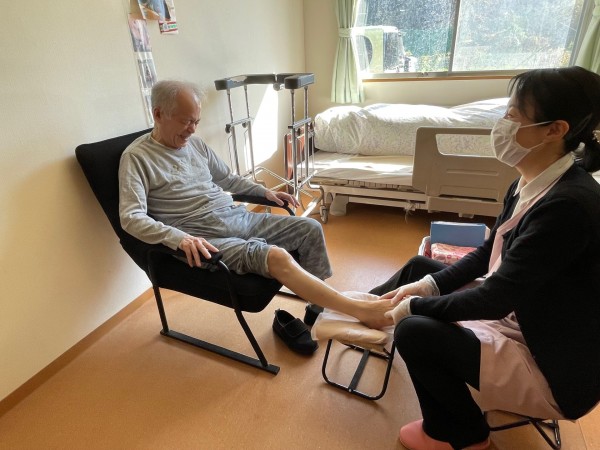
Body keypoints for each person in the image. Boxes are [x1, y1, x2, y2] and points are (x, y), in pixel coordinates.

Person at [369, 66, 600, 450]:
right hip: (522, 317)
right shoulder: (529, 183)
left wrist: (413, 307)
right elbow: (486, 253)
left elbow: (494, 299)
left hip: (550, 364)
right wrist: (427, 287)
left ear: (554, 130)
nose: (501, 124)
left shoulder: (569, 207)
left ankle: (462, 433)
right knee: (420, 268)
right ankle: (365, 309)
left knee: (413, 330)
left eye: (513, 115)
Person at [118, 79, 393, 329]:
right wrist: (178, 238)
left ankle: (317, 307)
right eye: (186, 121)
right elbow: (131, 217)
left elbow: (227, 179)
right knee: (276, 256)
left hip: (238, 217)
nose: (192, 129)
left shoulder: (196, 145)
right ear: (158, 114)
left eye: (196, 122)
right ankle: (358, 310)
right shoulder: (137, 158)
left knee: (310, 228)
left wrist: (264, 193)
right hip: (204, 239)